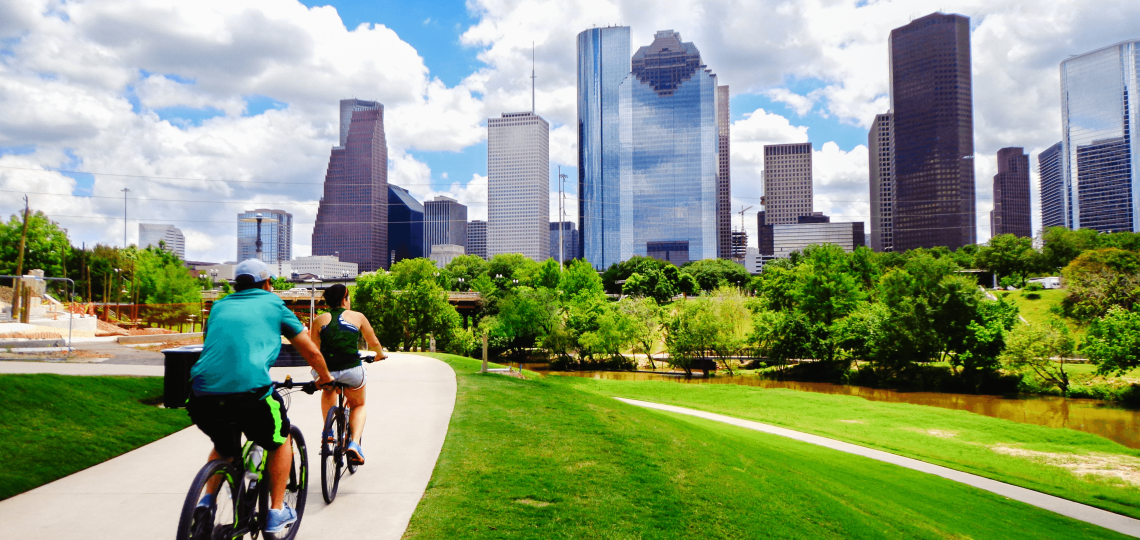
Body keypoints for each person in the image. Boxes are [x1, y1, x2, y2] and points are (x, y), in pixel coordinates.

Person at [187, 259, 333, 537]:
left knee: (225, 447)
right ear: (267, 284)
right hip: (250, 393)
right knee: (280, 438)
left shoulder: (219, 306)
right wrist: (324, 378)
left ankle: (205, 504)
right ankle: (276, 512)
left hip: (201, 394)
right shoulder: (274, 304)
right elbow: (311, 352)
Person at [309, 283, 385, 465]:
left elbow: (314, 350)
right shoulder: (357, 317)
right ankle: (354, 443)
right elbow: (372, 340)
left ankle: (327, 432)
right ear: (344, 299)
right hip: (351, 370)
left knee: (328, 390)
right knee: (358, 405)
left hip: (327, 371)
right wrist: (380, 355)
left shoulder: (319, 320)